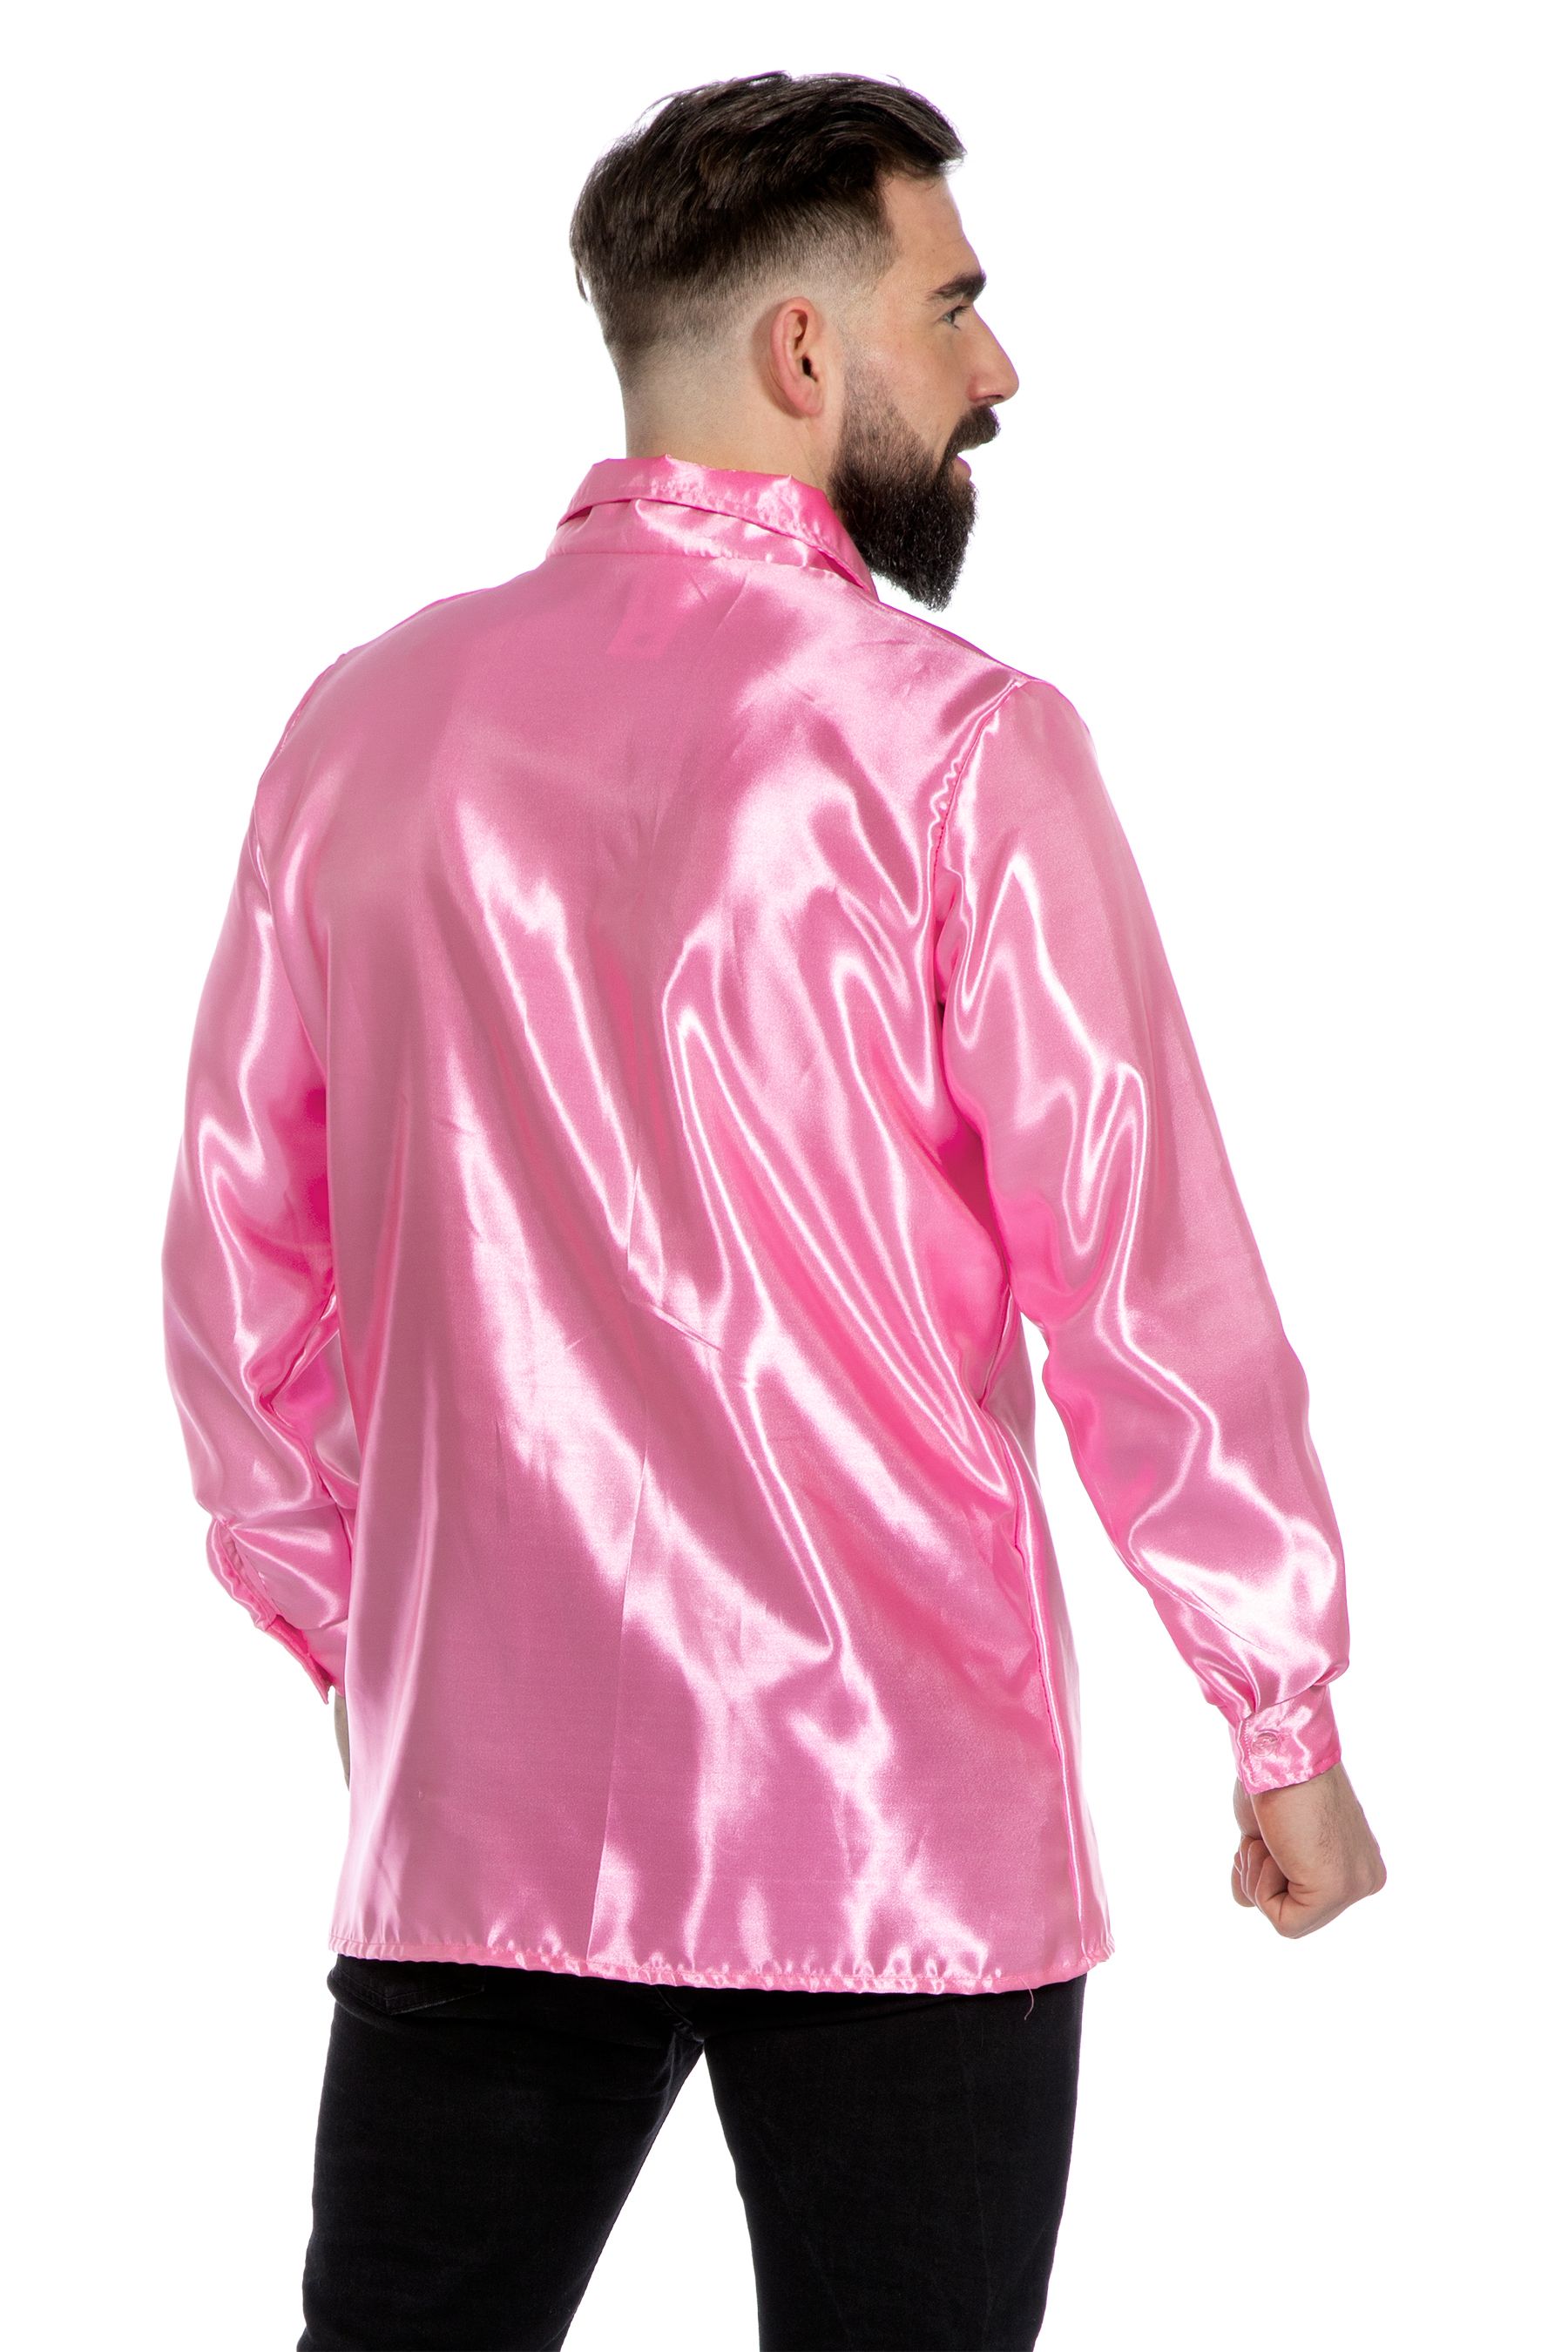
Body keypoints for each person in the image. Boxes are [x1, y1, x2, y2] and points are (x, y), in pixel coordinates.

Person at [159, 68, 1386, 2352]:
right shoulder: (956, 747)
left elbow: (243, 1284)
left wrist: (387, 1646)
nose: (998, 366)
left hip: (480, 1833)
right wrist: (1282, 1723)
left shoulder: (363, 730)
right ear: (806, 352)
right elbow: (1141, 1283)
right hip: (896, 1835)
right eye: (955, 303)